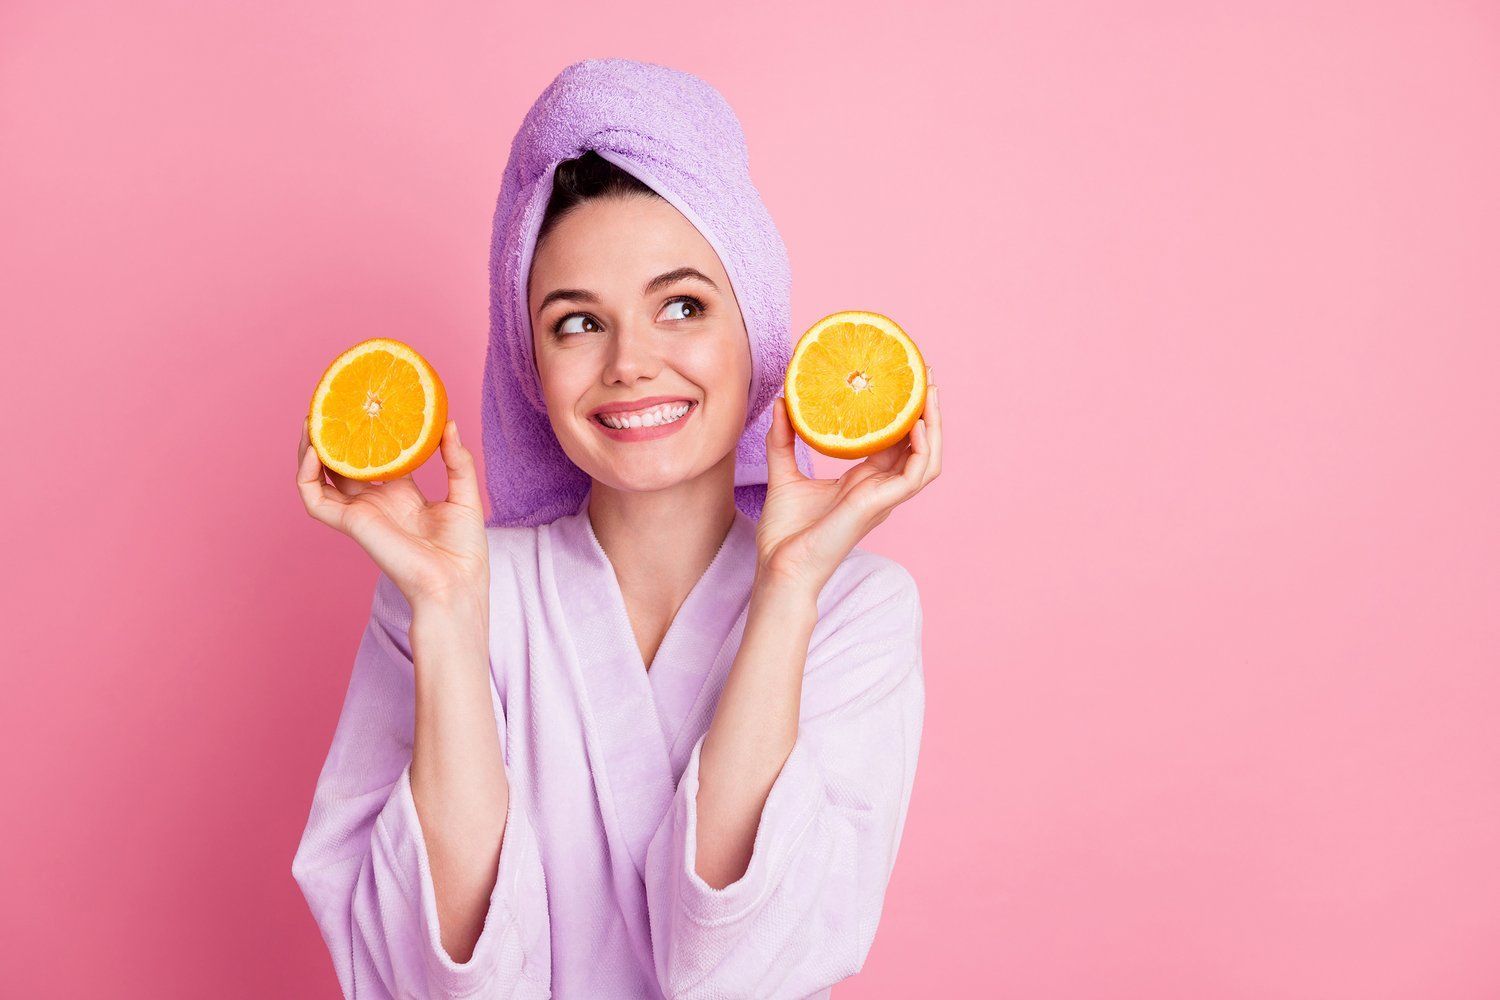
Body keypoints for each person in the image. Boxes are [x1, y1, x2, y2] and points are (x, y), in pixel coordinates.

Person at [291, 58, 942, 999]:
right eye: (576, 324)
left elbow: (737, 968)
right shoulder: (447, 588)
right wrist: (446, 614)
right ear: (530, 364)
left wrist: (788, 587)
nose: (632, 362)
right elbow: (427, 980)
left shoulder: (853, 607)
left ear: (756, 327)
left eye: (682, 306)